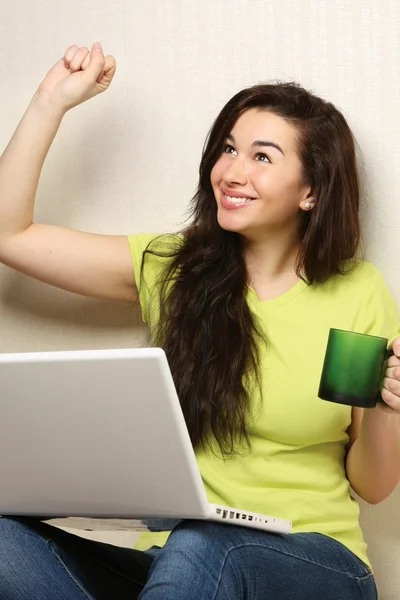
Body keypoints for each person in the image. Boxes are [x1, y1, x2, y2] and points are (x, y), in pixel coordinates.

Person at [0, 41, 399, 600]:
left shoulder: (355, 293)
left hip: (315, 564)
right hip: (178, 565)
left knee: (212, 541)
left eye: (262, 157)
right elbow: (9, 235)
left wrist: (385, 408)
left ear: (311, 191)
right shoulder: (175, 270)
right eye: (228, 150)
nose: (232, 172)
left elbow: (373, 485)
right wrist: (52, 101)